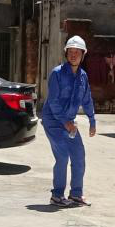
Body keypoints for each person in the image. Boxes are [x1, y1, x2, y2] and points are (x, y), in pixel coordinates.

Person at [41, 35, 96, 208]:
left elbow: (87, 99)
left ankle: (76, 195)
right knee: (63, 155)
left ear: (83, 55)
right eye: (70, 51)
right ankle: (57, 195)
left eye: (77, 52)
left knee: (79, 155)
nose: (73, 55)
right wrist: (65, 122)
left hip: (69, 122)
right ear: (66, 53)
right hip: (53, 121)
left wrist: (92, 120)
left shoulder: (83, 76)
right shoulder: (57, 73)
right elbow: (53, 101)